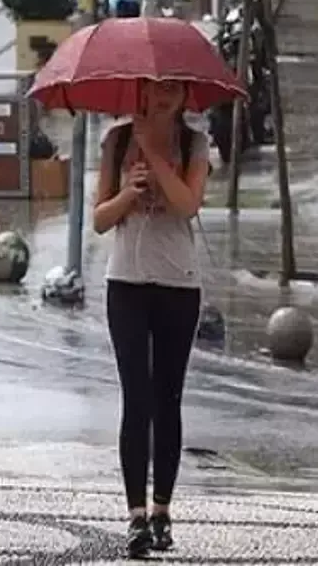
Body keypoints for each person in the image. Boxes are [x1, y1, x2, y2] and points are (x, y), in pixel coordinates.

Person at [91, 79, 211, 558]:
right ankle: (136, 516)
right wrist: (126, 192)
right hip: (126, 282)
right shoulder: (116, 140)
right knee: (135, 399)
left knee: (168, 399)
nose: (160, 99)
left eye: (171, 91)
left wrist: (157, 161)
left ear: (184, 97)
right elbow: (100, 219)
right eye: (153, 89)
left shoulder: (194, 143)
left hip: (179, 283)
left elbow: (188, 204)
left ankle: (163, 510)